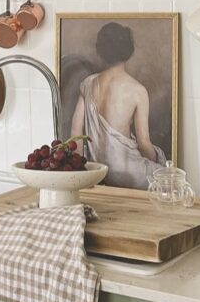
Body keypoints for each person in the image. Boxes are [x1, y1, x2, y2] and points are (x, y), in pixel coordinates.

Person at [70, 22, 166, 189]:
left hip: (98, 170)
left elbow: (76, 133)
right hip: (128, 173)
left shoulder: (88, 83)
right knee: (169, 177)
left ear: (100, 51)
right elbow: (144, 144)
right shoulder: (137, 90)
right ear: (128, 50)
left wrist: (81, 172)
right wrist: (159, 163)